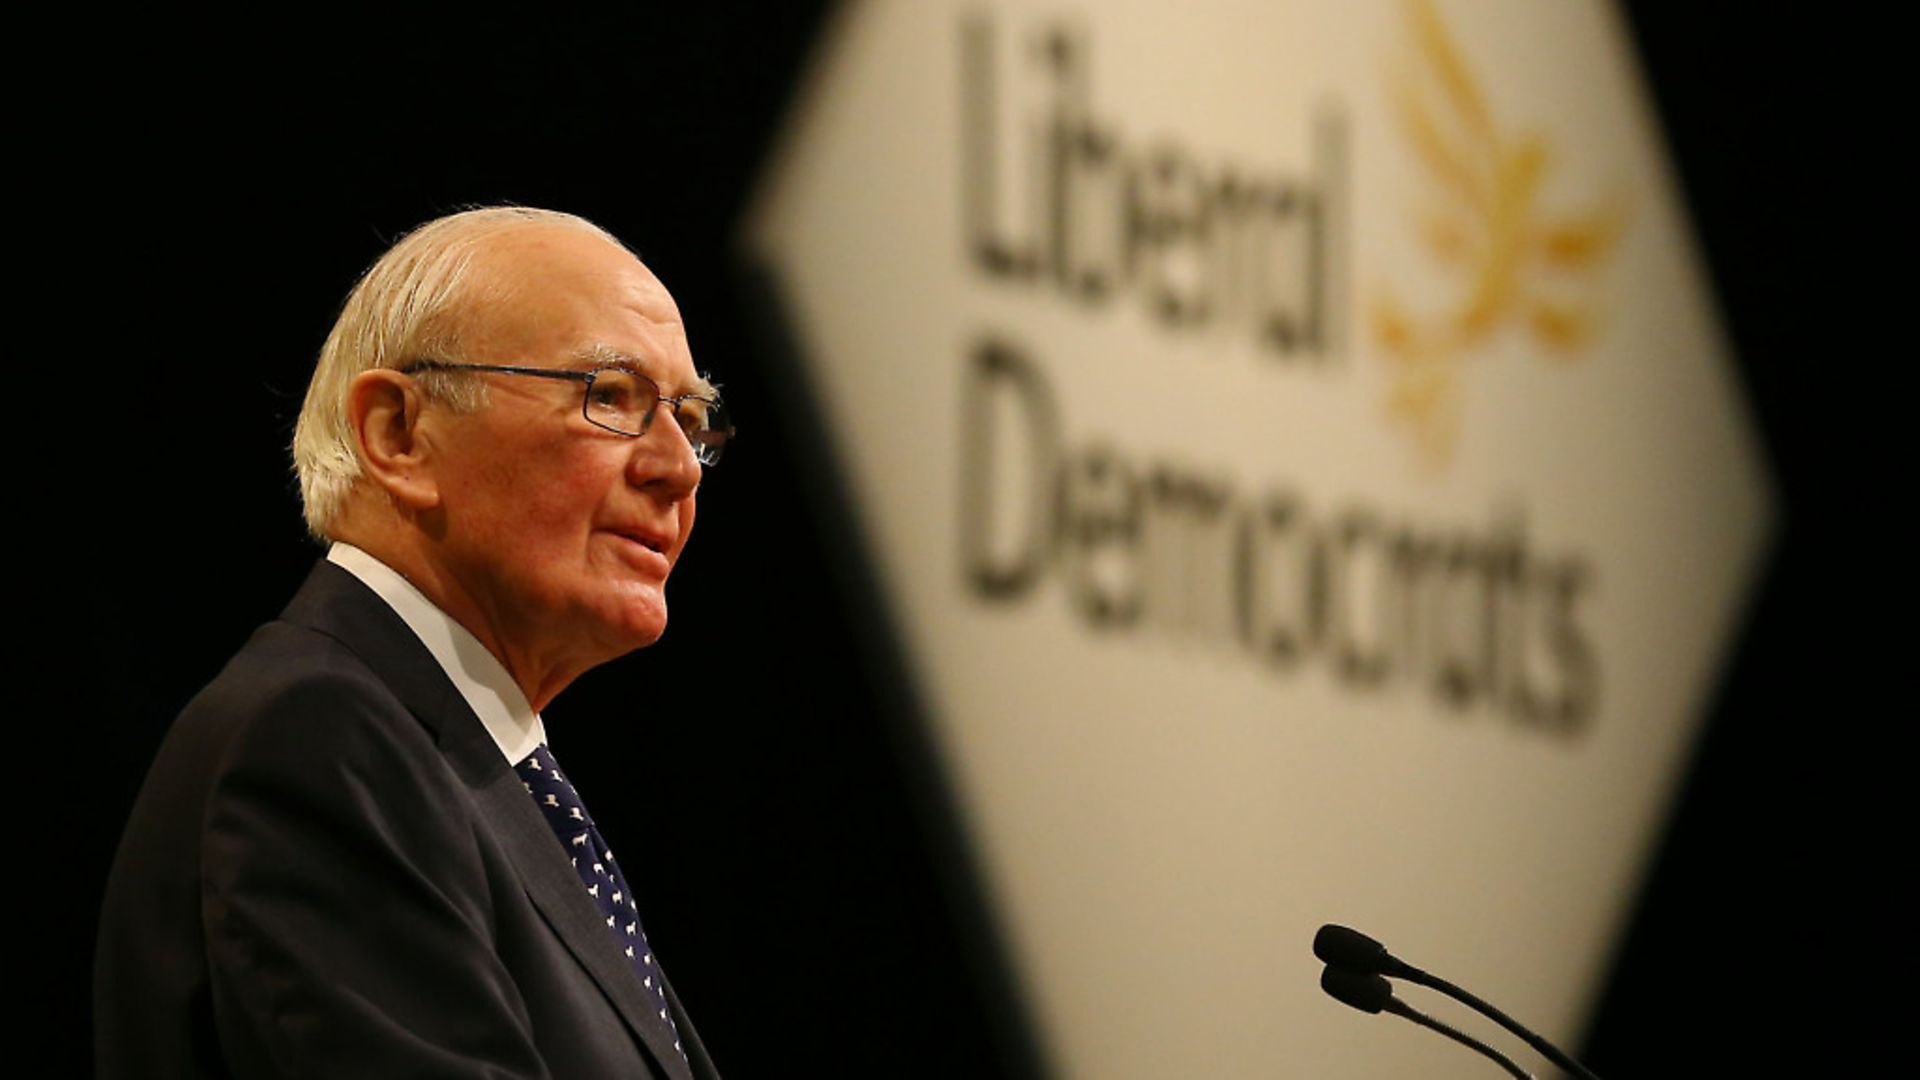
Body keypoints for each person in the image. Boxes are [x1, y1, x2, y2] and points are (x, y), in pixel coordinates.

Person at [94, 206, 731, 1079]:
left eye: (690, 417)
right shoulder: (321, 742)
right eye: (610, 396)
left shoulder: (459, 763)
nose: (680, 466)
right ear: (399, 432)